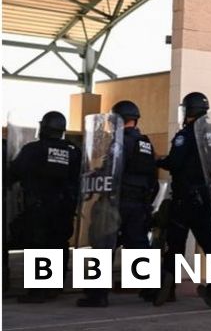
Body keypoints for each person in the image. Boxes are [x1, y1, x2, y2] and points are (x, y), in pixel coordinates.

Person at [155, 92, 211, 307]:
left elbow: (175, 162)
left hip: (185, 199)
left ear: (189, 111)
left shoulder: (187, 134)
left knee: (175, 245)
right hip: (208, 198)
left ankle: (167, 289)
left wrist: (159, 161)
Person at [79, 101, 159, 308]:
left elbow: (112, 170)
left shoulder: (120, 142)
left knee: (103, 246)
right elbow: (153, 177)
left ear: (118, 120)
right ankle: (151, 289)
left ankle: (97, 295)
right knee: (138, 245)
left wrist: (92, 176)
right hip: (139, 202)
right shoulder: (146, 143)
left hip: (117, 200)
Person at [10, 112, 81, 304]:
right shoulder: (73, 151)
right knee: (59, 244)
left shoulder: (34, 149)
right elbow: (80, 178)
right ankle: (54, 287)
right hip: (65, 208)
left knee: (38, 245)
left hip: (39, 206)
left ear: (44, 128)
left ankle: (38, 291)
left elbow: (13, 172)